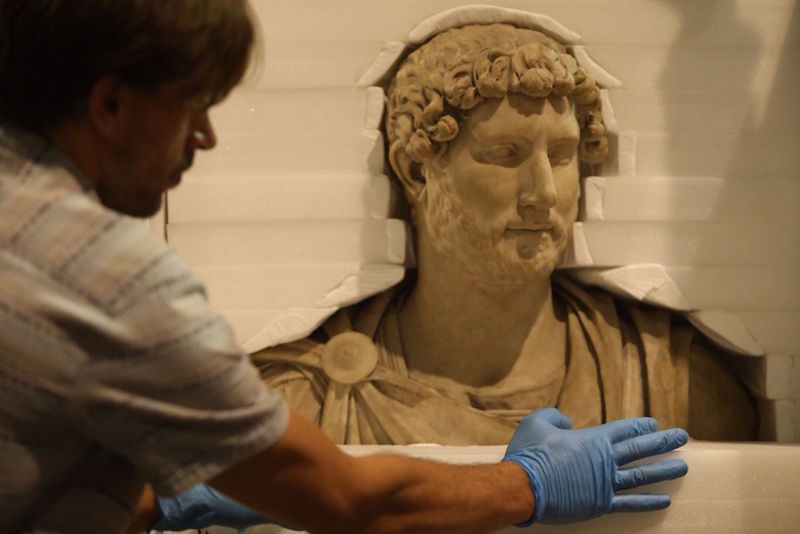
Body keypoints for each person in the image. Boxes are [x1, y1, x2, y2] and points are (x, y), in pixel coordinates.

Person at [0, 1, 690, 532]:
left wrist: (157, 501)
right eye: (193, 106)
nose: (206, 137)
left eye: (565, 156)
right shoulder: (108, 280)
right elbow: (352, 504)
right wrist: (528, 485)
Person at [252, 22, 757, 444]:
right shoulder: (307, 401)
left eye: (561, 157)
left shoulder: (674, 387)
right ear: (415, 171)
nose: (545, 192)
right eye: (505, 155)